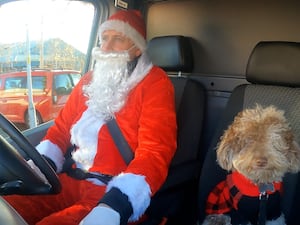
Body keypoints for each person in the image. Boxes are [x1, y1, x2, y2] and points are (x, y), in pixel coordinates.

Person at [4, 9, 177, 225]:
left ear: (136, 49)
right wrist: (37, 170)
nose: (106, 47)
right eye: (104, 38)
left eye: (118, 39)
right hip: (71, 180)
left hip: (112, 190)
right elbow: (60, 131)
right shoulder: (89, 80)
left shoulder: (155, 83)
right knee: (7, 206)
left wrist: (116, 204)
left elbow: (155, 152)